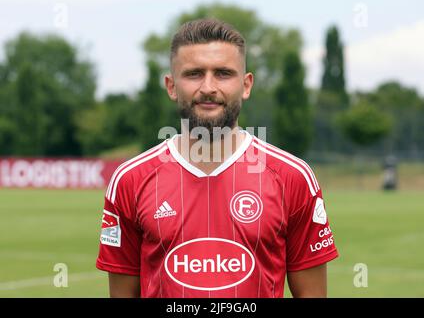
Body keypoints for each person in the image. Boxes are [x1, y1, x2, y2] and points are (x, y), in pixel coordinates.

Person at [96, 18, 338, 298]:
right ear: (171, 86)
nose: (208, 87)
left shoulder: (292, 177)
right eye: (194, 74)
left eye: (223, 73)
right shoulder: (130, 180)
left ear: (246, 85)